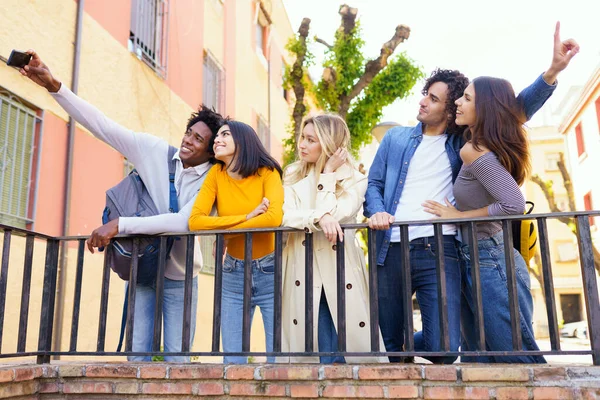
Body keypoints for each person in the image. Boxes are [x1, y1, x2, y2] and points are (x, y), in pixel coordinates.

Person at [363, 23, 579, 363]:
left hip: (445, 247)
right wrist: (375, 211)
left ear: (451, 110)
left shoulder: (463, 143)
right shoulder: (395, 139)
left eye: (434, 98)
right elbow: (374, 185)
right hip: (392, 246)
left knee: (456, 348)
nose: (422, 102)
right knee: (413, 347)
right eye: (425, 94)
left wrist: (551, 73)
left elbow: (512, 110)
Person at [20, 50, 224, 362]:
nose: (188, 141)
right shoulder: (153, 151)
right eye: (188, 133)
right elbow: (102, 125)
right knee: (136, 357)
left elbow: (185, 222)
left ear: (210, 151)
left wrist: (120, 225)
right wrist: (54, 86)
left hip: (181, 278)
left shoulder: (213, 177)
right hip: (142, 270)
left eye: (198, 140)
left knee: (179, 362)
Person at [423, 76, 546, 363]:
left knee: (516, 359)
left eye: (466, 98)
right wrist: (551, 73)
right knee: (481, 361)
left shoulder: (475, 151)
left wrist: (459, 216)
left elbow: (513, 204)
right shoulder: (482, 144)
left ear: (486, 109)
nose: (457, 102)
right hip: (482, 257)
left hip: (492, 259)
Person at [281, 114, 387, 364]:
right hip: (301, 266)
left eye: (310, 140)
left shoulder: (355, 179)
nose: (302, 145)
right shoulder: (293, 173)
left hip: (339, 268)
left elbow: (339, 214)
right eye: (302, 138)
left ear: (329, 144)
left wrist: (327, 175)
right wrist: (320, 217)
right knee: (309, 347)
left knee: (345, 345)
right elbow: (284, 215)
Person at [188, 120, 283, 364]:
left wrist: (227, 232)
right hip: (232, 272)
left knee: (279, 358)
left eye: (225, 135)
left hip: (270, 270)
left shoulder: (267, 172)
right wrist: (249, 216)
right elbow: (196, 222)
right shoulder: (216, 174)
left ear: (243, 141)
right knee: (233, 361)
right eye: (216, 136)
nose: (217, 139)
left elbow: (273, 218)